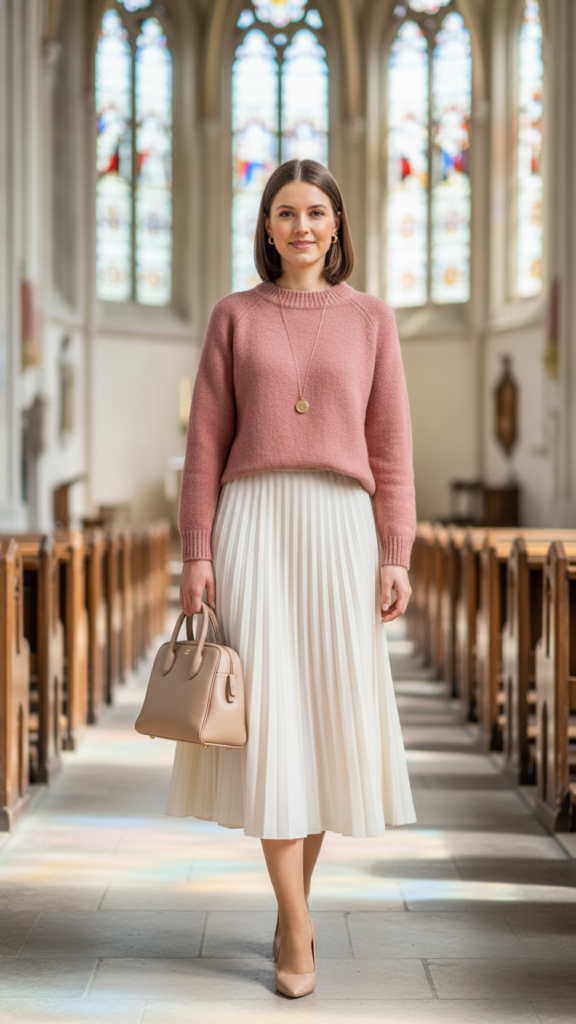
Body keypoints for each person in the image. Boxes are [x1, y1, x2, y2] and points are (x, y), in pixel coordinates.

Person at [168, 158, 416, 999]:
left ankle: (291, 907)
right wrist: (197, 550)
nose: (301, 225)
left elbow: (392, 448)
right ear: (267, 227)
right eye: (285, 212)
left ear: (337, 225)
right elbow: (206, 442)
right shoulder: (232, 317)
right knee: (273, 721)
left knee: (319, 723)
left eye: (316, 211)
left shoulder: (372, 319)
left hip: (341, 531)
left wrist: (395, 550)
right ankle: (297, 921)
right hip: (256, 526)